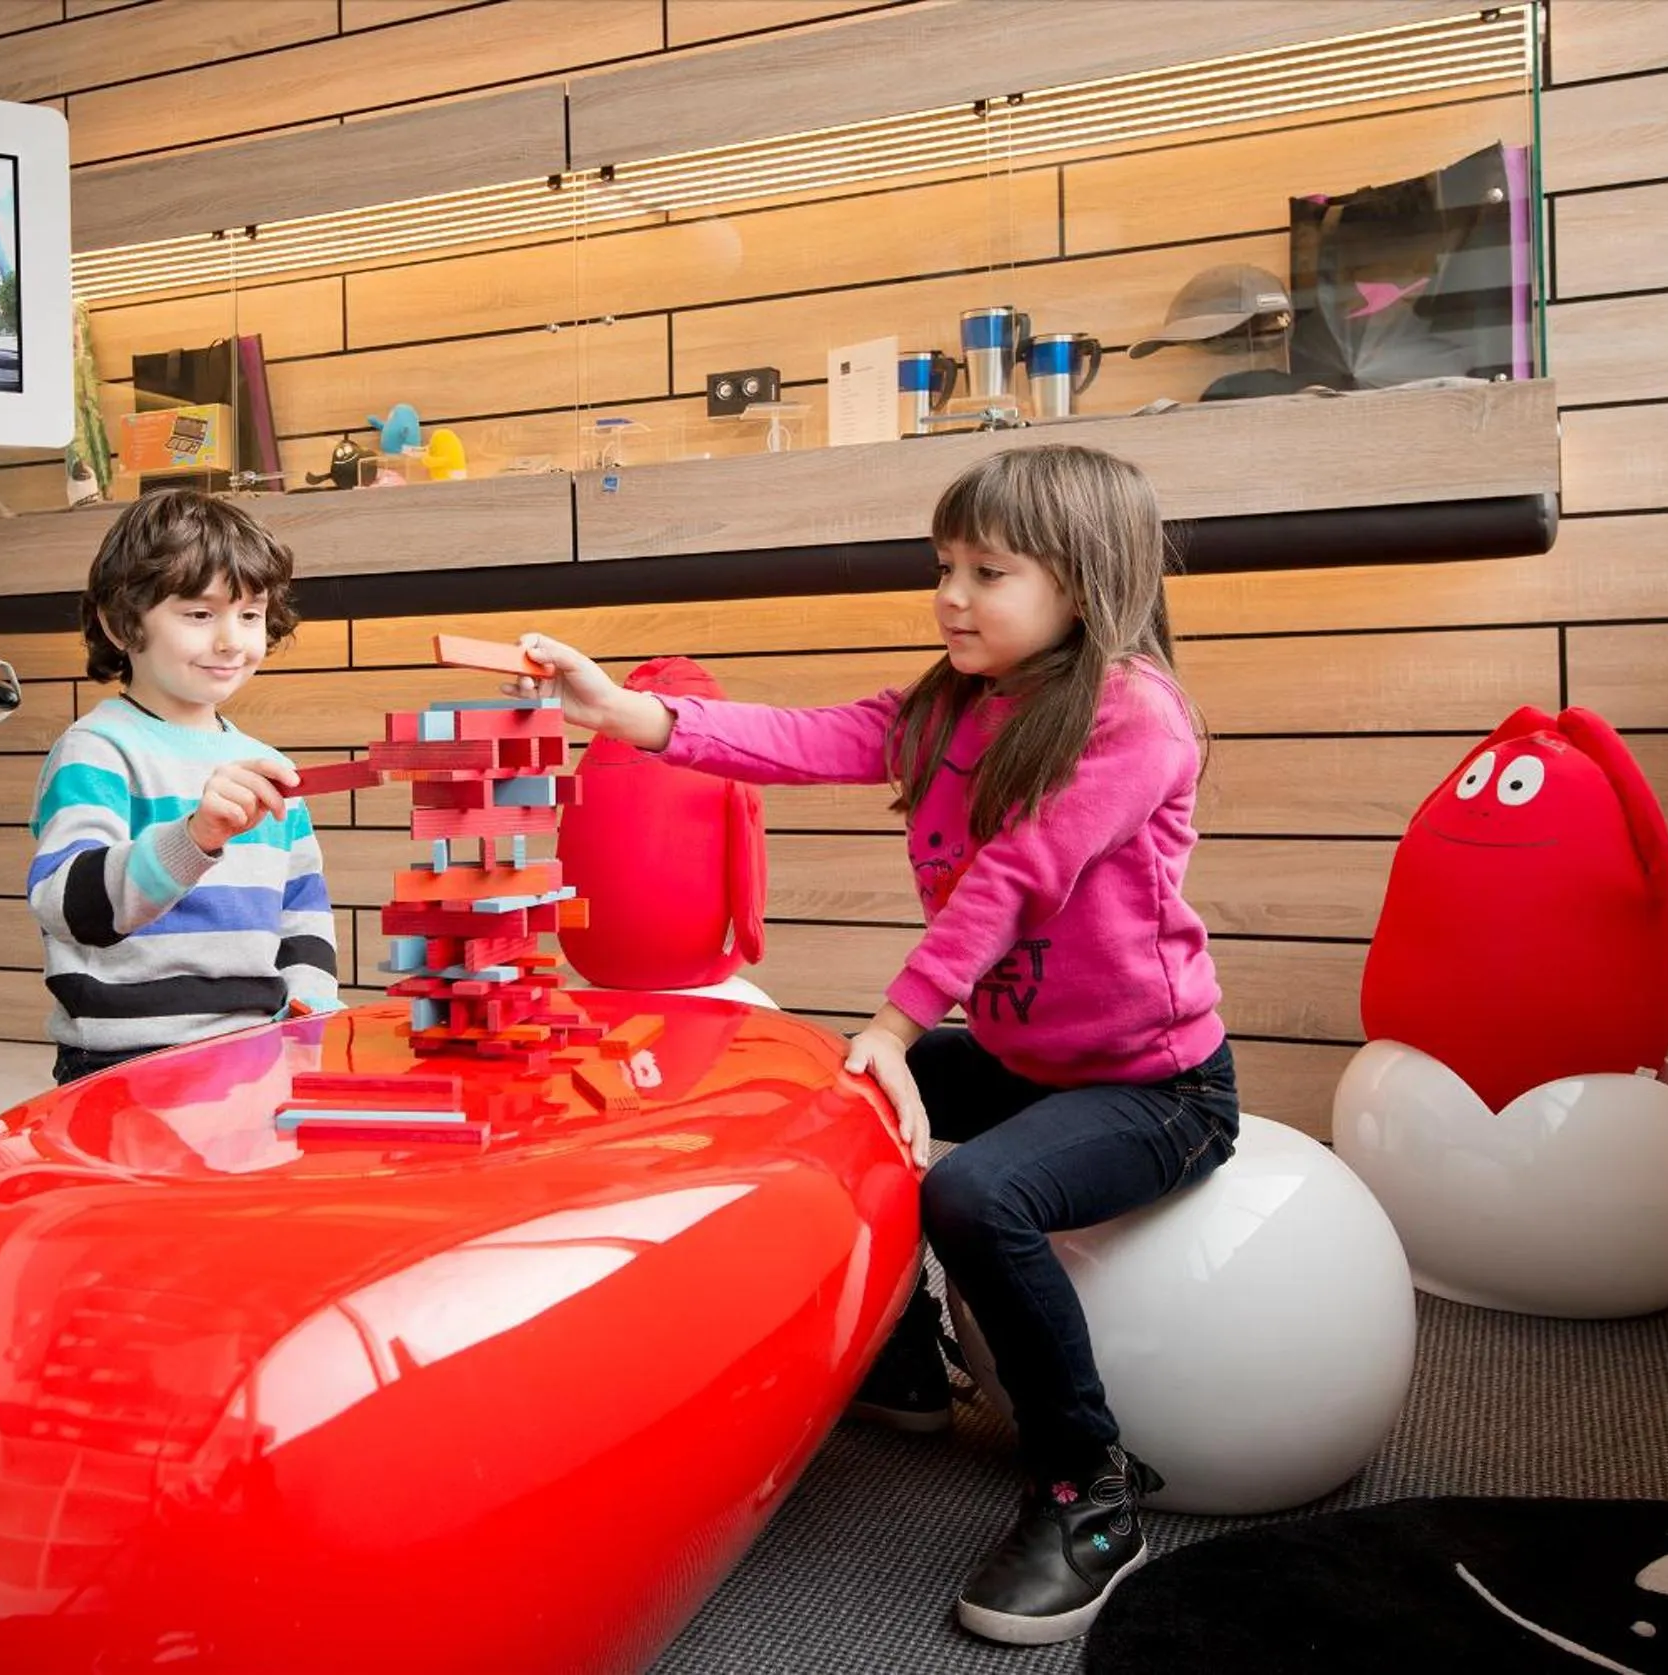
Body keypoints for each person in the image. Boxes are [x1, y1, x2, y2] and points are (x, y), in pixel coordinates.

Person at [510, 444, 1237, 1647]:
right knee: (818, 1083)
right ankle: (903, 1366)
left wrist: (899, 1022)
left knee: (973, 1192)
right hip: (1023, 1052)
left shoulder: (1134, 713)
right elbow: (801, 739)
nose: (951, 595)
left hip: (1154, 1085)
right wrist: (625, 713)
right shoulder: (949, 704)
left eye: (987, 571)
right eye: (943, 567)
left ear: (1082, 580)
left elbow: (1018, 875)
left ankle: (1088, 1488)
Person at [28, 489, 340, 1088]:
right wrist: (195, 838)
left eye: (249, 615)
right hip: (124, 1061)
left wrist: (310, 1004)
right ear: (121, 625)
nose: (231, 641)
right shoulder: (96, 750)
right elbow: (68, 905)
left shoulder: (267, 765)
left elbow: (303, 910)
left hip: (255, 1050)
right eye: (200, 615)